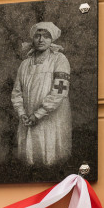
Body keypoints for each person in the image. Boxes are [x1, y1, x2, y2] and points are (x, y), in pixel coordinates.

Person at [11, 20, 72, 166]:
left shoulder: (59, 59)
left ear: (52, 39)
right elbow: (17, 92)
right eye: (38, 36)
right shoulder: (25, 64)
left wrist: (39, 114)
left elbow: (59, 90)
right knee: (30, 161)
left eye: (46, 36)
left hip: (51, 118)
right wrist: (22, 114)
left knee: (51, 159)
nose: (41, 39)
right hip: (27, 119)